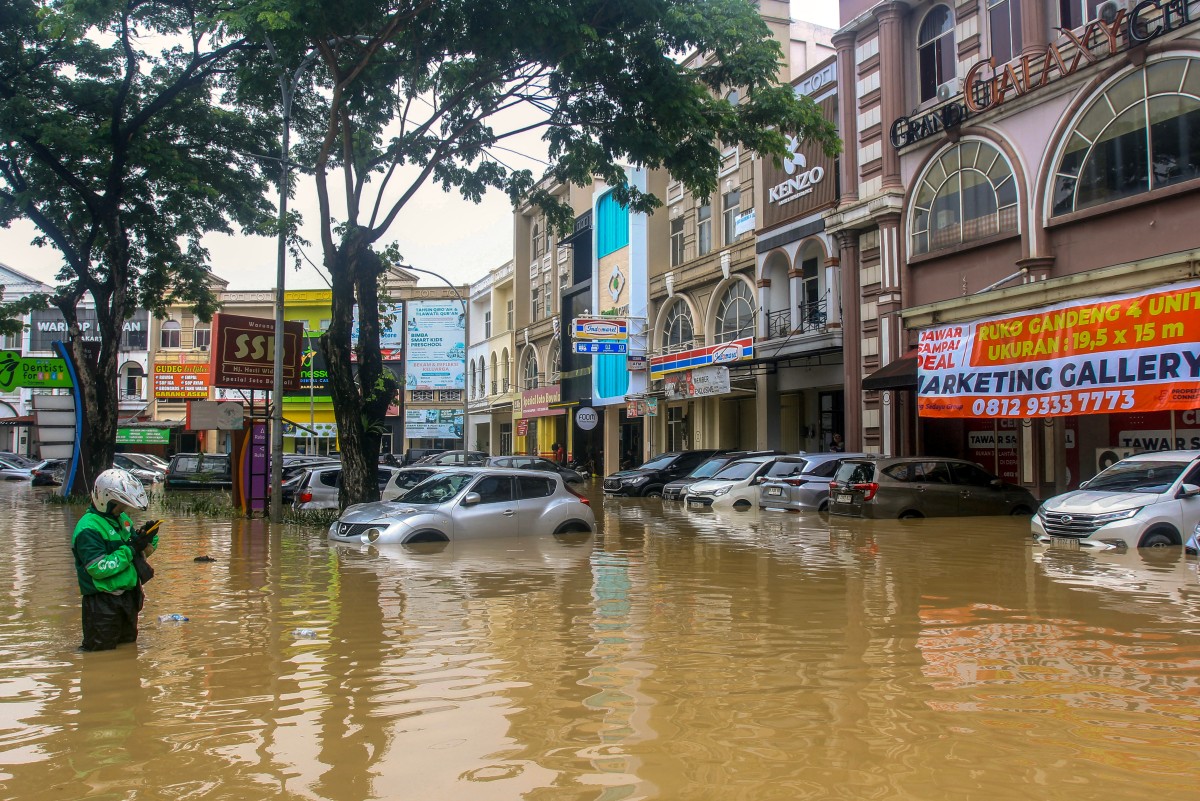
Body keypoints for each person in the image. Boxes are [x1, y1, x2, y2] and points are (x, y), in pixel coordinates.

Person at [71, 468, 160, 652]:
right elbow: (99, 568)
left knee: (128, 651)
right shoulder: (89, 528)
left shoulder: (122, 520)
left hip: (128, 598)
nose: (123, 509)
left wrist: (147, 540)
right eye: (120, 505)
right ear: (106, 500)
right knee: (100, 656)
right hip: (102, 604)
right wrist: (131, 548)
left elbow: (136, 558)